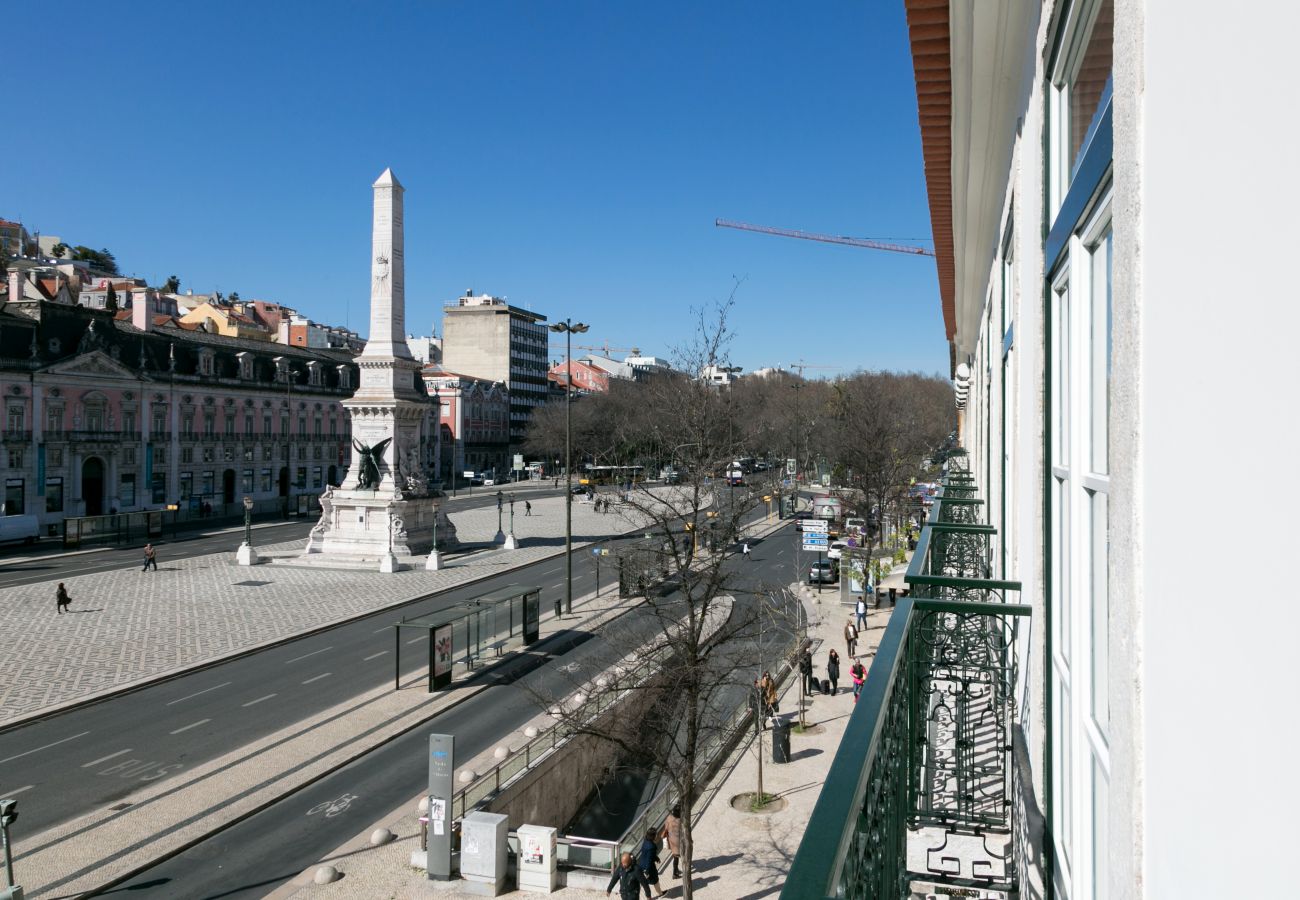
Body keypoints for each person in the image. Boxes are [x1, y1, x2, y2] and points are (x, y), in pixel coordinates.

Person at [639, 827, 665, 897]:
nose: (657, 835)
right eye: (656, 834)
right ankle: (660, 893)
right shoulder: (652, 846)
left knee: (645, 883)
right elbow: (649, 860)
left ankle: (649, 896)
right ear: (653, 836)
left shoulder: (645, 841)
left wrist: (656, 858)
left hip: (642, 865)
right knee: (655, 880)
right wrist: (647, 872)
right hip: (648, 868)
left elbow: (648, 855)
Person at [659, 805, 683, 878]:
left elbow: (666, 827)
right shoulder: (680, 821)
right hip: (677, 841)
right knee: (676, 857)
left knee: (675, 856)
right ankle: (674, 873)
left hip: (671, 839)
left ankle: (676, 870)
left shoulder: (669, 818)